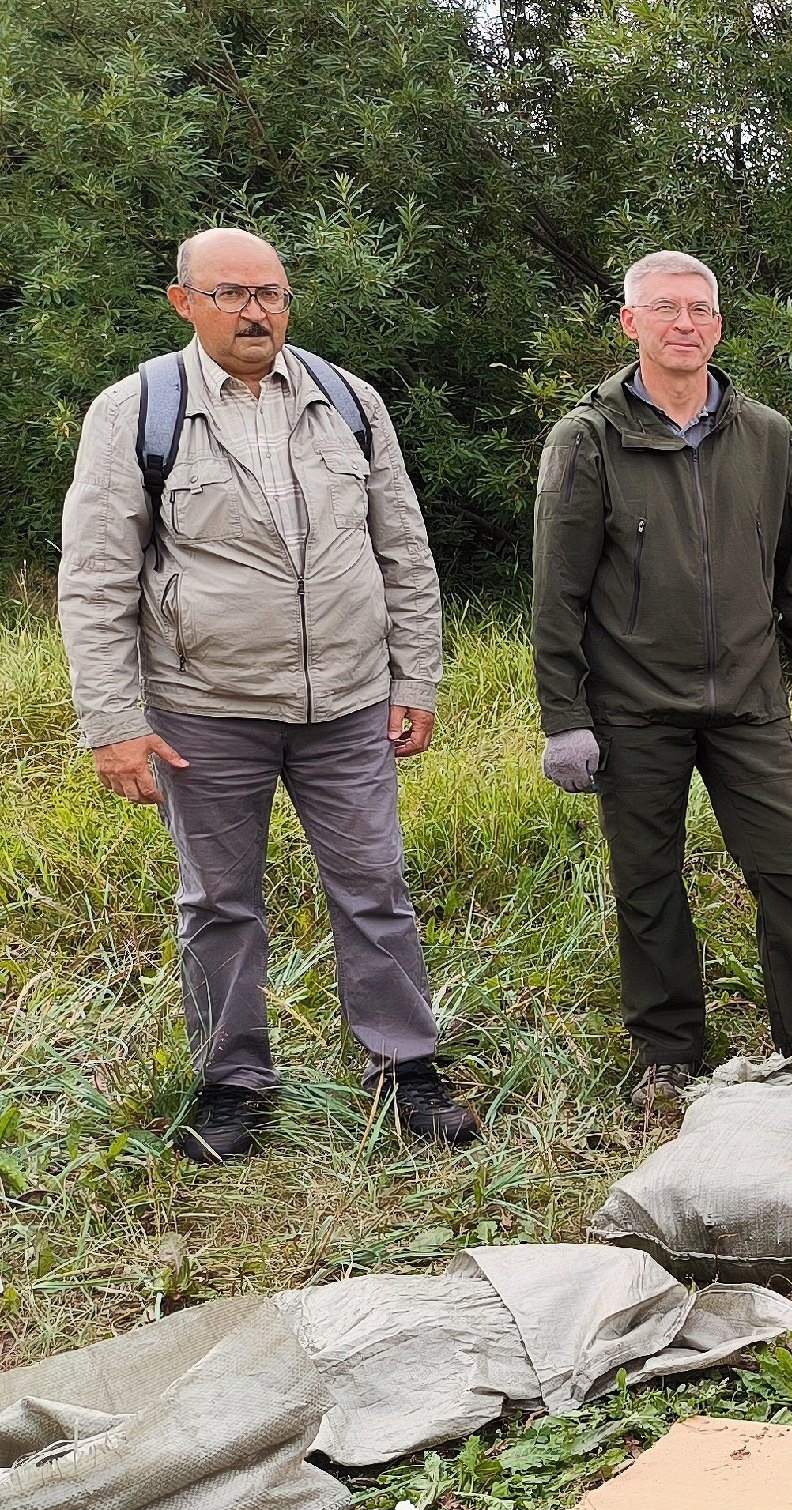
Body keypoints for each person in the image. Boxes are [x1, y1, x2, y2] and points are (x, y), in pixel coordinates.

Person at [56, 226, 474, 1163]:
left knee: (376, 887)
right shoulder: (137, 412)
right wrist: (114, 723)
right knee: (218, 902)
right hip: (206, 706)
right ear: (184, 303)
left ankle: (405, 1070)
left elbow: (402, 546)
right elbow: (94, 576)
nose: (256, 312)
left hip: (350, 704)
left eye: (272, 295)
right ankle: (232, 1083)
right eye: (233, 294)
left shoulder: (348, 400)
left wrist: (416, 677)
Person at [532, 251, 792, 1108]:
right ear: (629, 323)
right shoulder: (588, 439)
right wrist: (563, 716)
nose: (686, 324)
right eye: (666, 309)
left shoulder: (766, 436)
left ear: (718, 325)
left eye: (701, 311)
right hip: (634, 709)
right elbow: (557, 591)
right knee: (649, 883)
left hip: (750, 703)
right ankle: (668, 1054)